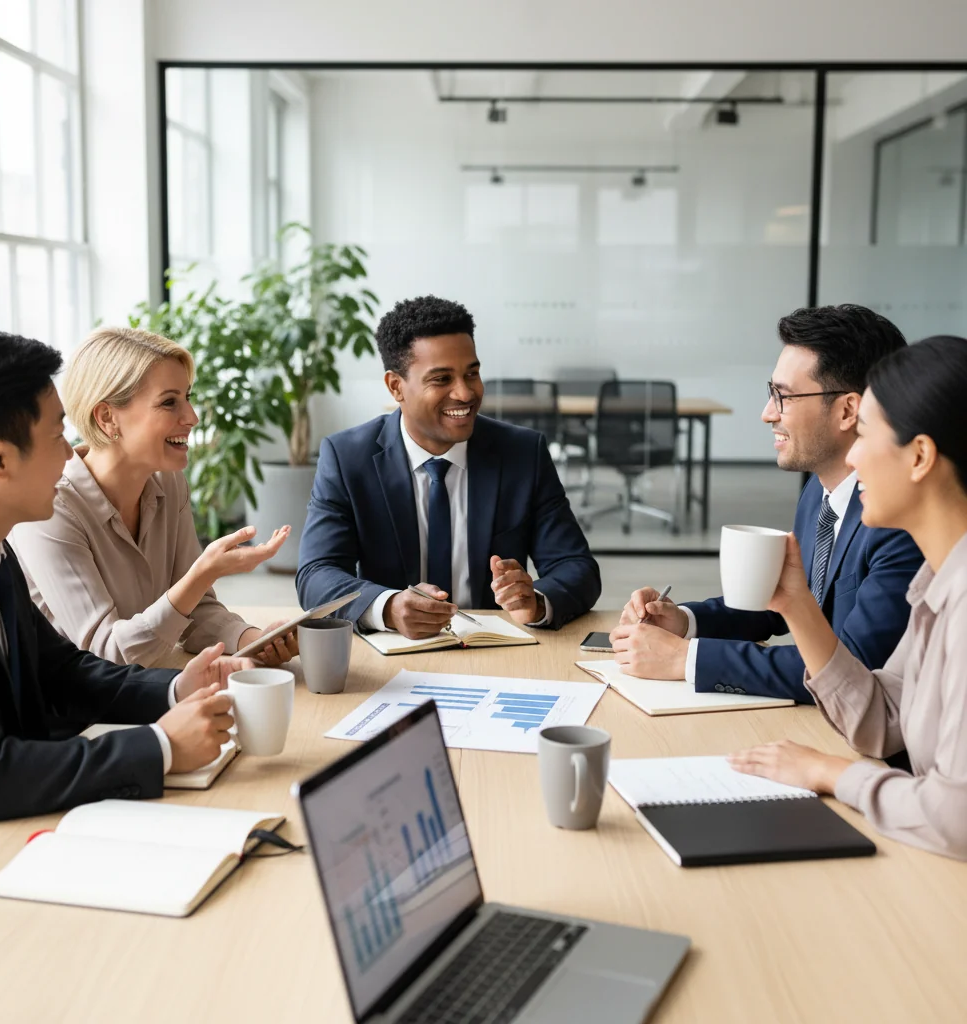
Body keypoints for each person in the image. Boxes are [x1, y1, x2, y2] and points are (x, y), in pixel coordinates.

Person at [0, 328, 250, 871]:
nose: (70, 453)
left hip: (34, 827)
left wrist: (176, 688)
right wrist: (159, 747)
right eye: (58, 434)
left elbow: (63, 670)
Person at [729, 336, 967, 859]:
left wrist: (832, 772)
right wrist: (796, 606)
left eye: (865, 435)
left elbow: (957, 816)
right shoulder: (940, 575)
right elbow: (883, 718)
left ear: (920, 456)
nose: (853, 457)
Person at [611, 304, 922, 703]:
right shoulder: (819, 492)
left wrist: (686, 660)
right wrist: (685, 622)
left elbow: (850, 670)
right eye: (770, 392)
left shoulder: (899, 522)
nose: (766, 414)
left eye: (784, 396)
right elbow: (785, 604)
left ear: (848, 410)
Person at [297, 295, 601, 638]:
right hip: (393, 654)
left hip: (496, 649)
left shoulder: (522, 453)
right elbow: (316, 574)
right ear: (396, 386)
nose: (465, 393)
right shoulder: (347, 457)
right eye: (442, 379)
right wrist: (389, 607)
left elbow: (577, 567)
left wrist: (537, 602)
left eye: (472, 373)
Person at [11, 327, 297, 669]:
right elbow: (105, 654)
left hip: (145, 687)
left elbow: (197, 611)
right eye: (169, 402)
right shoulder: (52, 508)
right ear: (107, 418)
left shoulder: (168, 481)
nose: (191, 417)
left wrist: (254, 640)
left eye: (187, 397)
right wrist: (200, 575)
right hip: (73, 714)